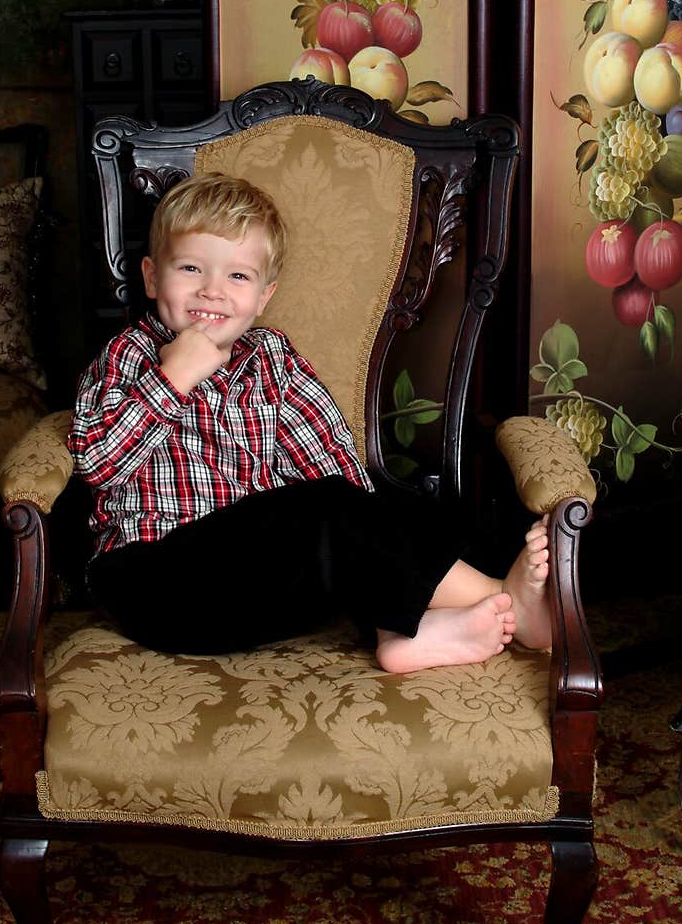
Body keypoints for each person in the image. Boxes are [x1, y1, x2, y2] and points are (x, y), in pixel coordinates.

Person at [69, 172, 550, 673]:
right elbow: (95, 465)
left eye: (237, 277)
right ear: (151, 277)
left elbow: (338, 472)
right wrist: (175, 376)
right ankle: (506, 602)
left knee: (390, 507)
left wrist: (386, 539)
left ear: (263, 295)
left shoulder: (273, 359)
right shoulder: (127, 356)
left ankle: (401, 632)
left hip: (259, 588)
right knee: (328, 509)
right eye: (190, 268)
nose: (212, 292)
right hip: (157, 585)